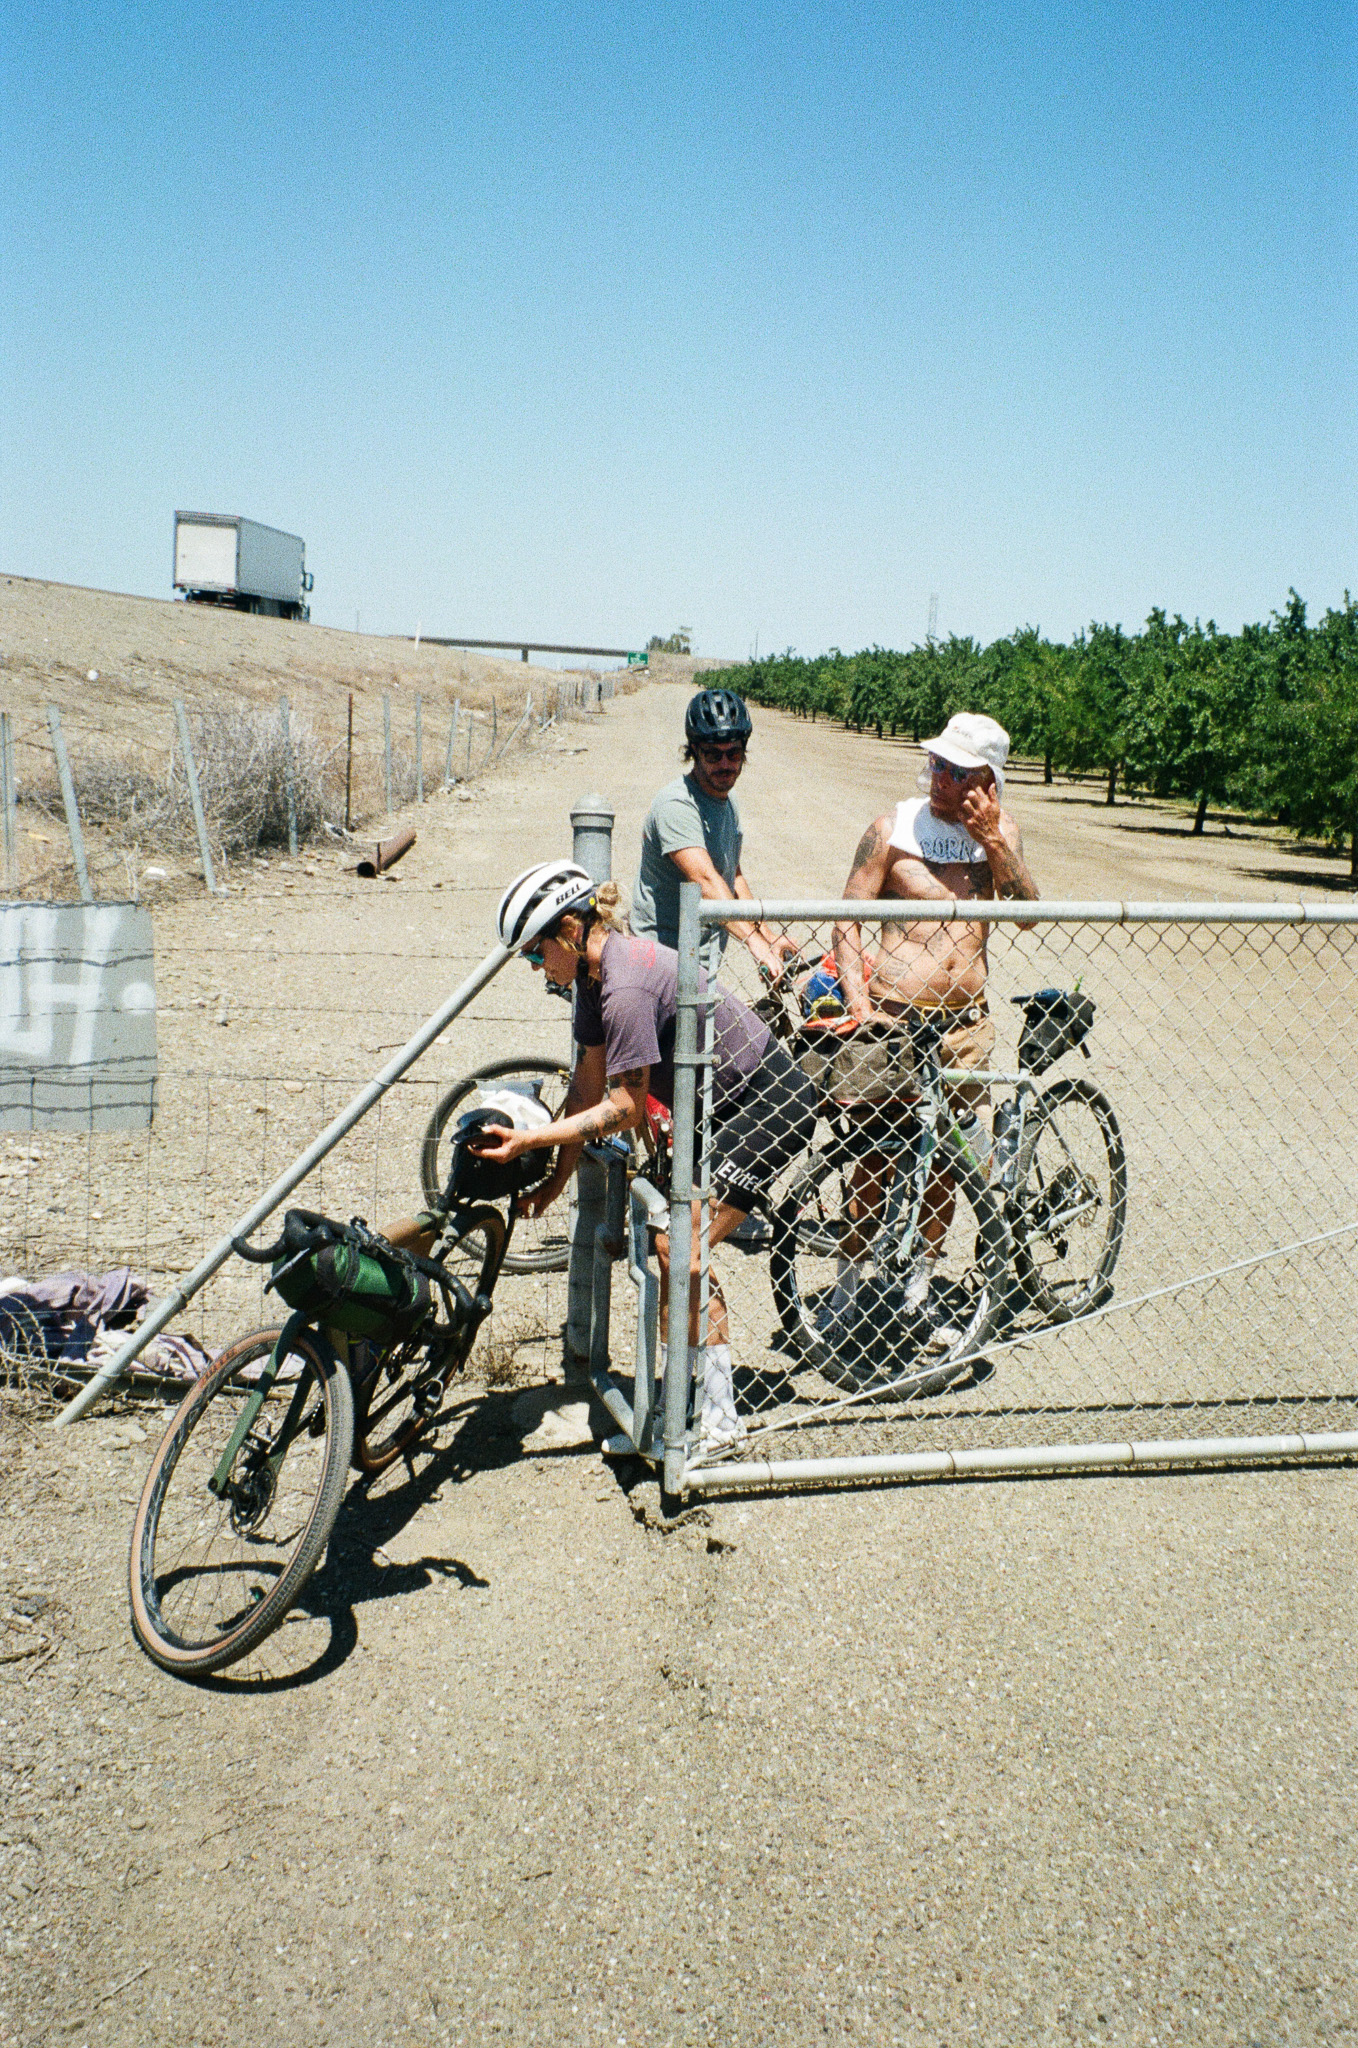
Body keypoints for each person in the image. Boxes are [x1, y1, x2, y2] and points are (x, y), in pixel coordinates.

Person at [476, 860, 818, 1445]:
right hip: (712, 1108)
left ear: (569, 930)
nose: (537, 970)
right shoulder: (590, 979)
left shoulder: (625, 985)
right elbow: (585, 1086)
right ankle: (679, 1411)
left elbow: (622, 1108)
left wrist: (532, 1140)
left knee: (678, 1252)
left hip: (767, 1097)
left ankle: (715, 1420)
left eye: (536, 954)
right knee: (669, 1254)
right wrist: (556, 1182)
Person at [831, 713, 1039, 1335]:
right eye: (937, 766)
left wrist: (998, 846)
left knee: (946, 1162)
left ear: (988, 782)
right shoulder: (893, 827)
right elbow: (846, 918)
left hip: (965, 1029)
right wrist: (858, 1003)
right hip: (894, 1020)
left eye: (957, 771)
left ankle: (919, 1285)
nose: (939, 779)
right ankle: (846, 1283)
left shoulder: (1000, 835)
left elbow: (1029, 914)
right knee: (872, 1155)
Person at [631, 687, 796, 979]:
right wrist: (755, 944)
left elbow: (732, 876)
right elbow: (705, 879)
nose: (725, 764)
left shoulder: (727, 802)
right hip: (658, 963)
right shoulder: (677, 804)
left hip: (700, 962)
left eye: (734, 754)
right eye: (713, 755)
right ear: (694, 750)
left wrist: (768, 935)